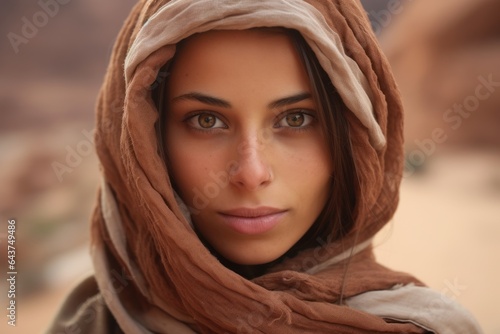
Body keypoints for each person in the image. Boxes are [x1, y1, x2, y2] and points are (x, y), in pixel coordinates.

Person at [47, 0, 483, 333]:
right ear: (145, 141)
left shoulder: (422, 327)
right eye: (207, 120)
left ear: (352, 137)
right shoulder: (93, 322)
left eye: (295, 119)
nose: (251, 172)